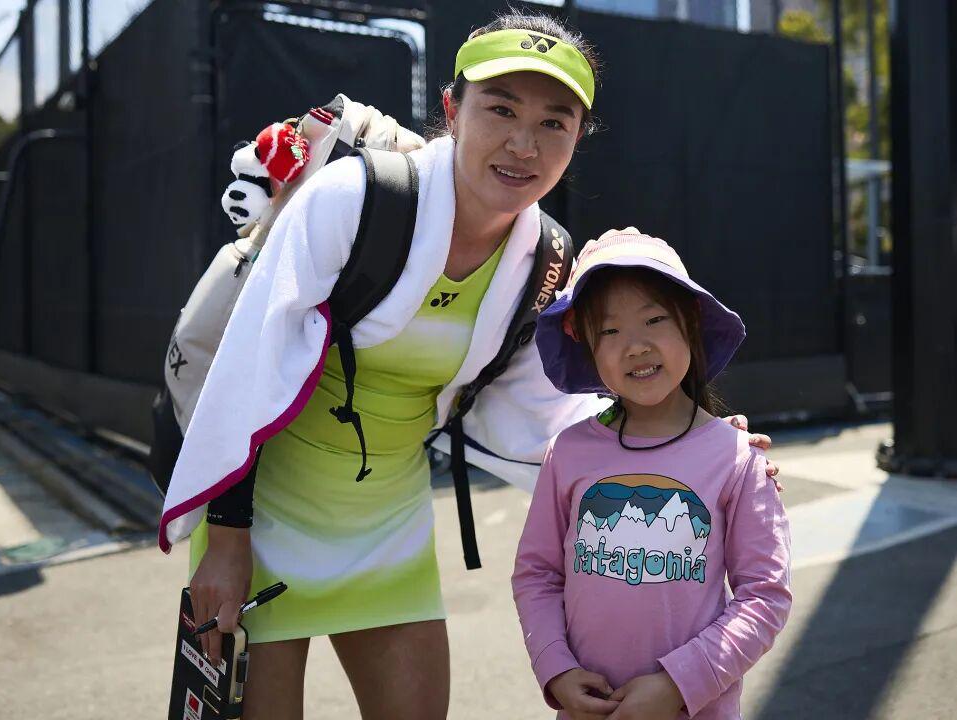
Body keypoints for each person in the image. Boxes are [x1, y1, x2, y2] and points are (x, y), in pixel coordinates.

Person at [158, 12, 776, 720]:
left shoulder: (544, 260)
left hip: (387, 524)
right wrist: (226, 541)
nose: (523, 144)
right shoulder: (352, 198)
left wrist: (689, 440)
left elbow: (551, 411)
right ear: (453, 110)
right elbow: (248, 365)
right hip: (257, 515)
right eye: (500, 109)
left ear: (578, 138)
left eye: (553, 123)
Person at [512, 228, 791, 720]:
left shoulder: (738, 458)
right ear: (587, 347)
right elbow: (537, 574)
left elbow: (764, 596)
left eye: (655, 319)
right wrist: (555, 668)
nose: (636, 346)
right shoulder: (568, 452)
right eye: (609, 331)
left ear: (691, 323)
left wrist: (679, 684)